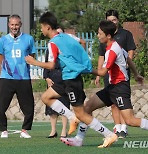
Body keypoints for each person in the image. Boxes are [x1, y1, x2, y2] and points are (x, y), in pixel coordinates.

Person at [25, 11, 118, 148]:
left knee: (82, 114)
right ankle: (72, 119)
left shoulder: (52, 43)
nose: (41, 29)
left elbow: (51, 65)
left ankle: (109, 134)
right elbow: (82, 43)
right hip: (67, 77)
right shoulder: (66, 36)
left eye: (41, 27)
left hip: (71, 79)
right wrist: (76, 63)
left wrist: (34, 62)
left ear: (47, 27)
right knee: (46, 97)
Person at [60, 20, 147, 147]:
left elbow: (102, 72)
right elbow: (128, 59)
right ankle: (79, 139)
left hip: (120, 88)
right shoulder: (115, 46)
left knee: (130, 120)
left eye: (100, 33)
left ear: (108, 36)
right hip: (111, 87)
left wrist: (84, 69)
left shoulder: (112, 50)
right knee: (87, 107)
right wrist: (136, 74)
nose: (98, 35)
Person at [94, 9, 136, 138]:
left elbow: (129, 54)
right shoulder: (104, 39)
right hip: (109, 76)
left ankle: (124, 127)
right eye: (109, 20)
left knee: (125, 109)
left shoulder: (124, 35)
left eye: (114, 20)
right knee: (111, 103)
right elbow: (102, 56)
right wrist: (97, 73)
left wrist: (85, 69)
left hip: (120, 78)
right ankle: (117, 128)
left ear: (118, 20)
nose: (112, 22)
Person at [0, 14, 35, 138]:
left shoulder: (29, 39)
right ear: (8, 25)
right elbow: (0, 55)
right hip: (7, 77)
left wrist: (24, 65)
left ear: (20, 25)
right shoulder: (3, 40)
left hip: (24, 78)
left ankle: (24, 130)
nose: (14, 27)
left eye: (16, 24)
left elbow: (32, 55)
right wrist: (6, 67)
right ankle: (3, 130)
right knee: (0, 106)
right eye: (12, 24)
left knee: (29, 107)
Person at [44, 28, 86, 138]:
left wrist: (33, 62)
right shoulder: (52, 44)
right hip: (57, 77)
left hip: (69, 76)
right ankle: (62, 128)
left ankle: (68, 129)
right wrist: (46, 77)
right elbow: (48, 63)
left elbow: (83, 43)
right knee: (47, 99)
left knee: (81, 110)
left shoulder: (68, 41)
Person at [44, 49, 70, 138]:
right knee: (51, 106)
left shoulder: (66, 48)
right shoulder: (50, 48)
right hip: (52, 78)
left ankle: (64, 130)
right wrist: (46, 77)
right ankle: (53, 130)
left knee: (64, 104)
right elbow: (46, 63)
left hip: (64, 78)